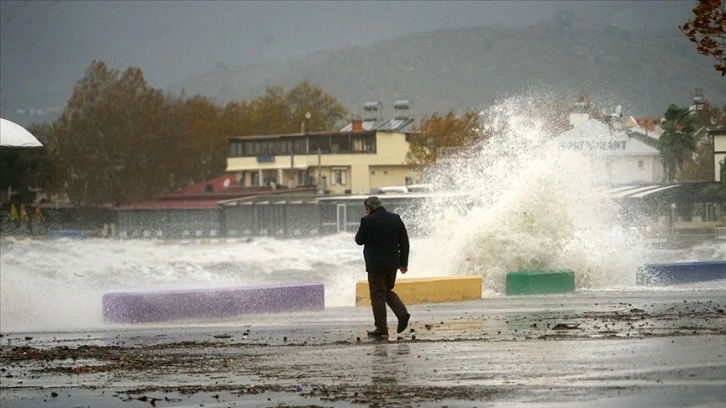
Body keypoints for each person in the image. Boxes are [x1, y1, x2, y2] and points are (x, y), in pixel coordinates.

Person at [355, 196, 411, 337]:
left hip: (375, 265)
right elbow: (404, 242)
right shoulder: (395, 218)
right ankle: (402, 313)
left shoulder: (367, 221)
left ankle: (381, 328)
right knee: (386, 291)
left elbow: (359, 240)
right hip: (393, 264)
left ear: (369, 208)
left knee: (378, 295)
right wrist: (403, 263)